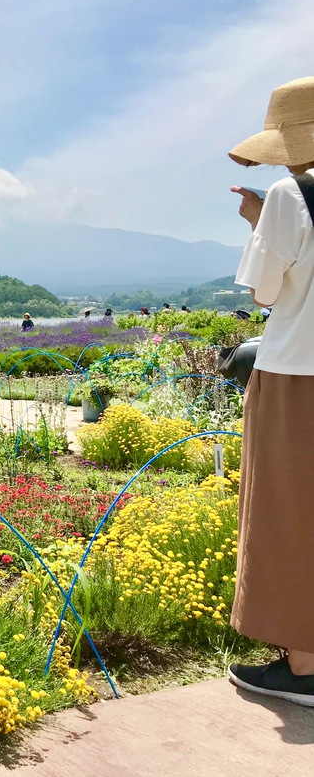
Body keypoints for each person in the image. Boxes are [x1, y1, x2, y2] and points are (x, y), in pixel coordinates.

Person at [225, 76, 314, 706]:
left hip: (297, 375)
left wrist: (261, 221)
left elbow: (264, 290)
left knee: (288, 511)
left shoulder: (289, 194)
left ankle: (304, 666)